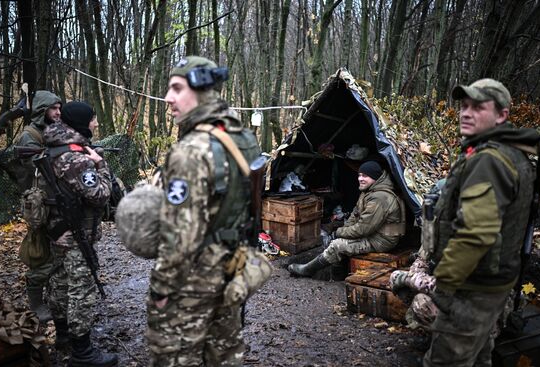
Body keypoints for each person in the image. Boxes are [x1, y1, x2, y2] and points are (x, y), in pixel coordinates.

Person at [146, 56, 260, 366]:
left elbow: (179, 237)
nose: (168, 98)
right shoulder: (244, 139)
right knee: (224, 353)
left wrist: (161, 290)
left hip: (193, 280)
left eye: (177, 88)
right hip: (231, 269)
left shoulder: (190, 151)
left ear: (202, 89)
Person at [421, 78, 540, 367]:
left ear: (502, 115)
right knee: (478, 357)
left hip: (472, 286)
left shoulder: (489, 160)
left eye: (477, 107)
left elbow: (475, 234)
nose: (465, 113)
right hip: (493, 282)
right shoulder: (515, 153)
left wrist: (444, 288)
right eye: (464, 106)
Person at [43, 101, 117, 366]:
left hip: (58, 230)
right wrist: (100, 165)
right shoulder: (76, 158)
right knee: (80, 291)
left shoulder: (54, 147)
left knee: (60, 283)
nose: (96, 124)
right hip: (76, 233)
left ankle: (63, 336)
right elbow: (99, 195)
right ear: (84, 122)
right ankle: (82, 352)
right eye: (94, 120)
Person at [288, 160, 405, 277]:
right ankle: (338, 275)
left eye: (365, 176)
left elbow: (363, 229)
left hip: (382, 240)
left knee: (338, 245)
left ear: (375, 177)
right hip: (374, 234)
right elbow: (355, 215)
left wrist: (338, 233)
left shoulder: (380, 198)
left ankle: (308, 270)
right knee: (339, 239)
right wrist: (344, 230)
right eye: (359, 175)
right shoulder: (369, 192)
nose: (360, 178)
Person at [14, 90, 62, 324]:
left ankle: (53, 293)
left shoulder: (48, 131)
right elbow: (38, 165)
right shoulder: (29, 136)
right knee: (42, 254)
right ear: (43, 111)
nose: (58, 112)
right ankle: (35, 301)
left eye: (60, 108)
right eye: (54, 108)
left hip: (52, 201)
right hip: (37, 205)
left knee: (57, 251)